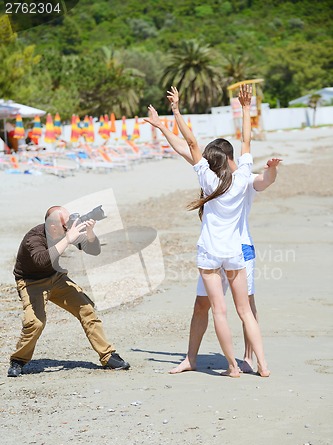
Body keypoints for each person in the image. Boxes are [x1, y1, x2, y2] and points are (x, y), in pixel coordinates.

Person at [144, 106, 281, 375]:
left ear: (218, 160)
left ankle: (242, 361)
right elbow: (194, 147)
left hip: (222, 251)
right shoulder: (239, 176)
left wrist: (175, 114)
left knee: (234, 309)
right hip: (232, 252)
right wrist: (162, 128)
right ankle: (200, 359)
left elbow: (191, 145)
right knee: (219, 306)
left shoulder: (227, 179)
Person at [7, 206, 130, 377]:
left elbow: (94, 250)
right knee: (35, 323)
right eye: (66, 224)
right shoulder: (34, 238)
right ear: (53, 227)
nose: (70, 225)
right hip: (31, 282)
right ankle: (18, 360)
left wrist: (89, 233)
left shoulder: (65, 231)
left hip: (55, 278)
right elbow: (42, 261)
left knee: (86, 308)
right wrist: (68, 238)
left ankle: (108, 355)